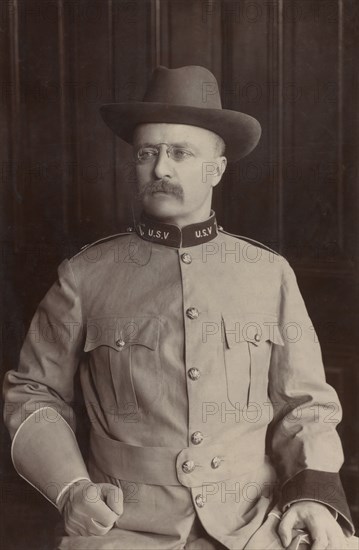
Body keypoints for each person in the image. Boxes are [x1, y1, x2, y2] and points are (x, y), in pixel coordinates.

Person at [3, 65, 358, 550]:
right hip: (124, 529)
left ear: (217, 168)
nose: (160, 169)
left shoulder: (267, 273)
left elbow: (308, 407)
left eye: (180, 153)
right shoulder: (84, 276)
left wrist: (313, 498)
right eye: (147, 153)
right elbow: (32, 393)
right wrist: (72, 491)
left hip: (255, 524)